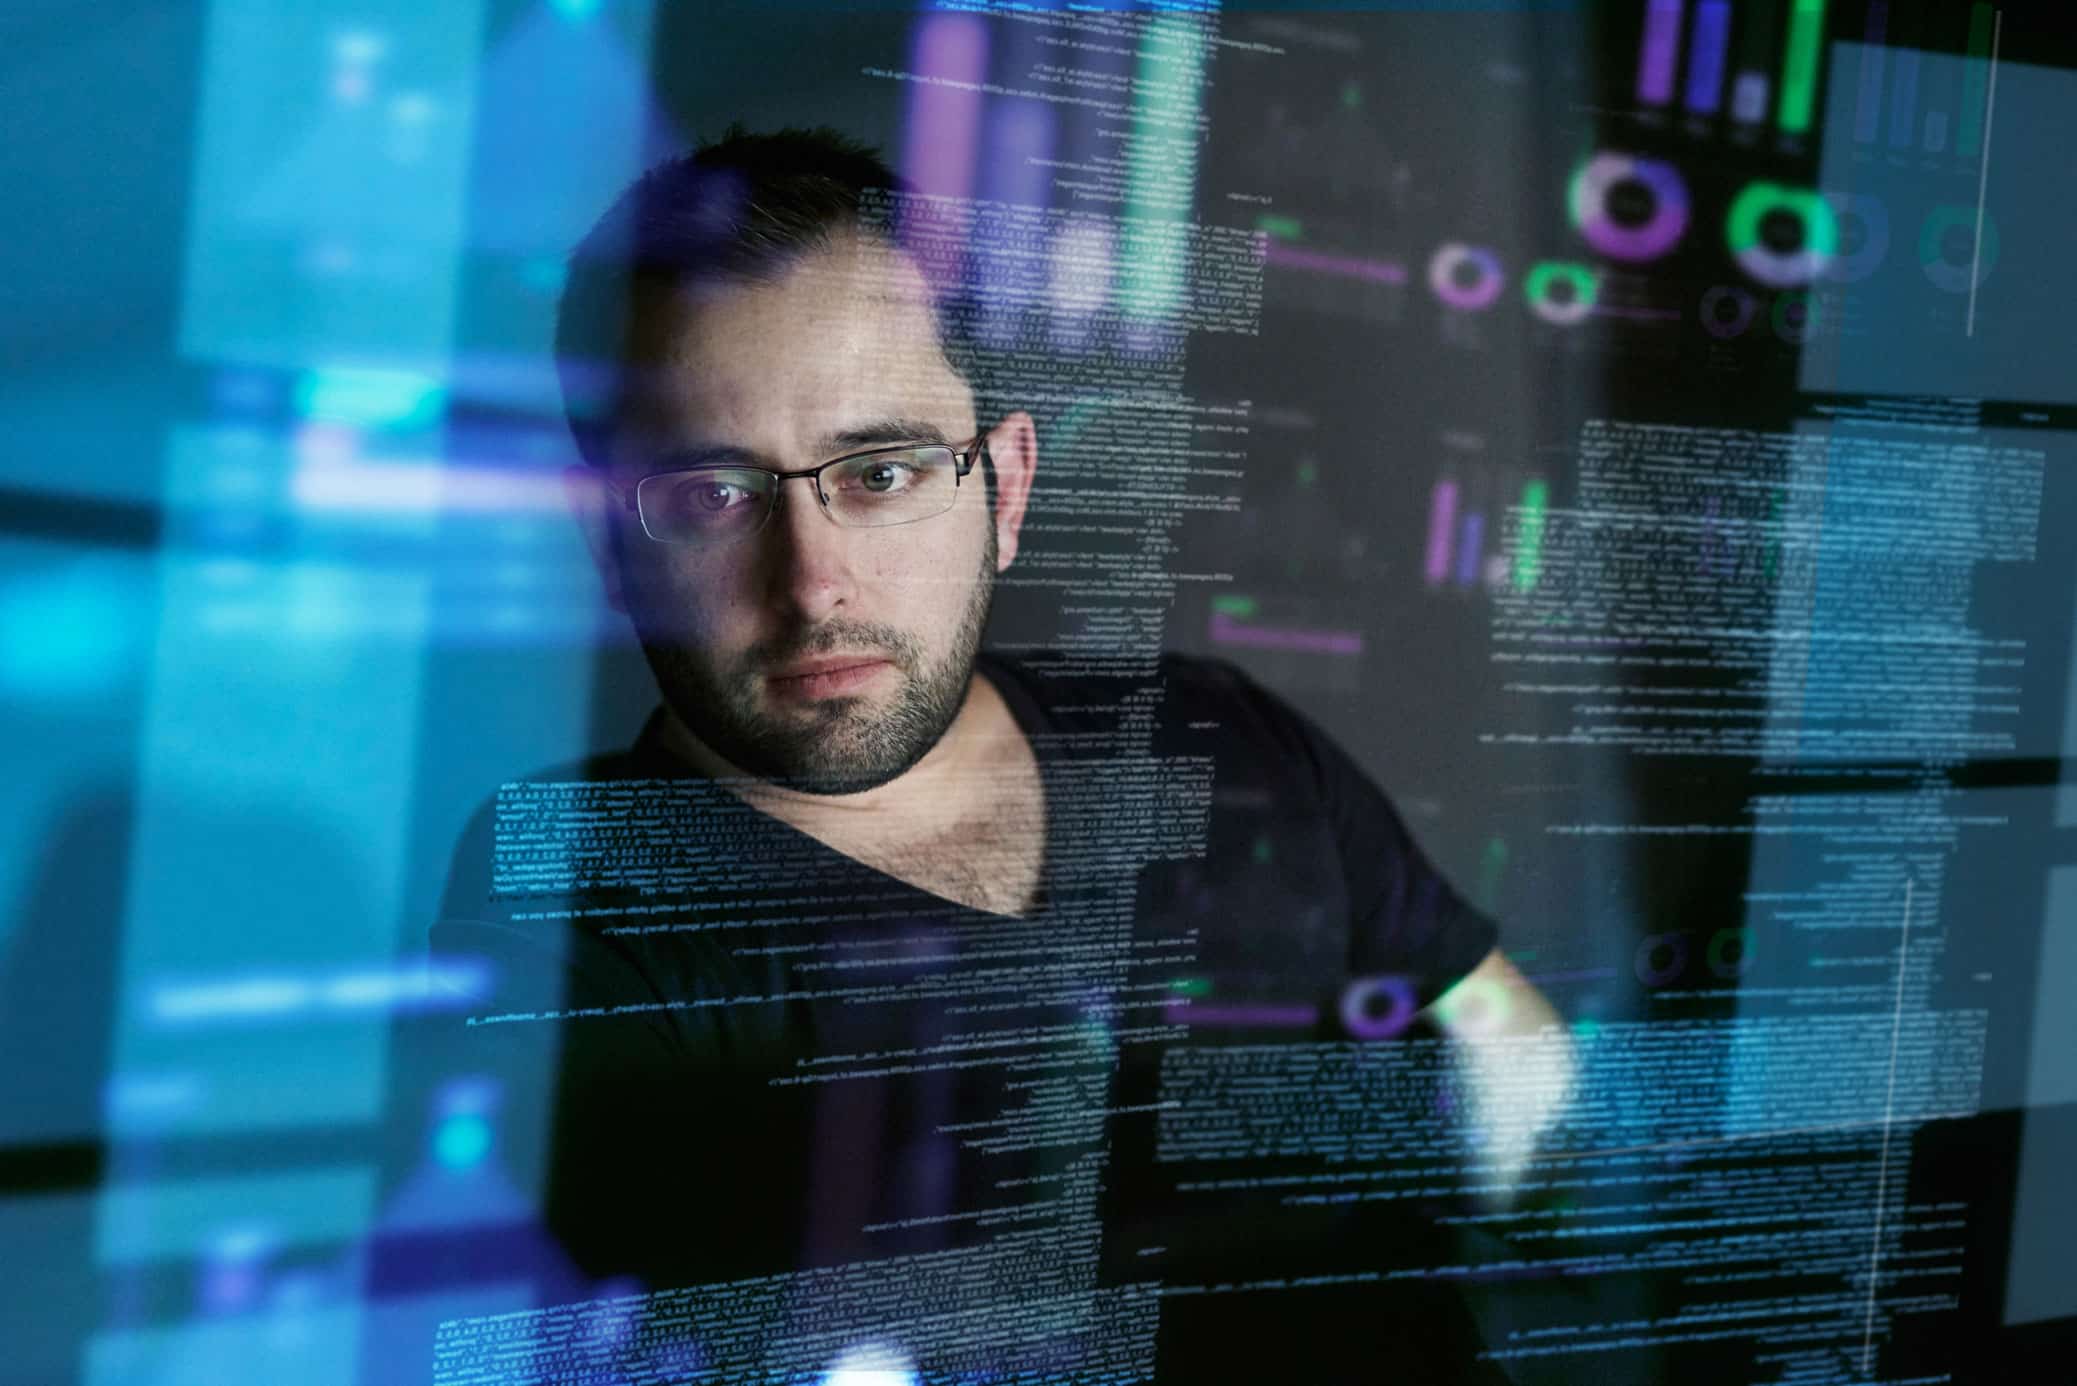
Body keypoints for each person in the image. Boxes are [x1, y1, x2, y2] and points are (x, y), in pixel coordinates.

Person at [400, 126, 1573, 1382]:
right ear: (610, 544)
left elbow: (1505, 1036)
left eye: (883, 469)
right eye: (711, 497)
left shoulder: (1206, 726)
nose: (813, 582)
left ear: (1004, 489)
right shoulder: (577, 890)